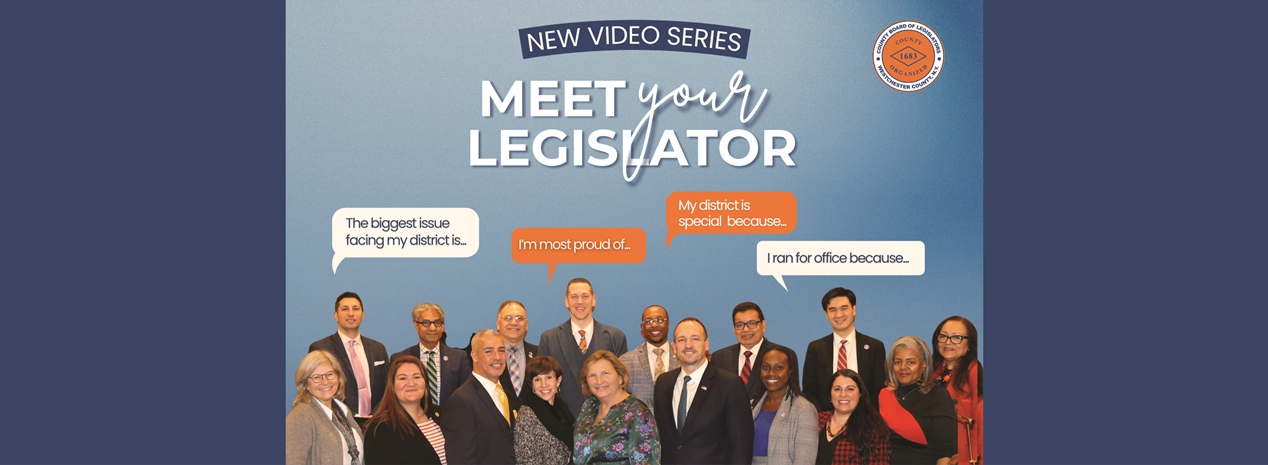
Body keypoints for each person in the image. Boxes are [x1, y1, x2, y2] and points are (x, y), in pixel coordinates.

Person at [653, 318, 754, 465]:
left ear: (706, 344)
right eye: (682, 340)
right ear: (674, 347)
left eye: (695, 339)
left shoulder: (730, 384)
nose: (688, 345)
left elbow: (742, 445)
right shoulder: (663, 383)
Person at [539, 277, 629, 413]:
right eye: (574, 296)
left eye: (585, 296)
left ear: (594, 300)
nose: (579, 301)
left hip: (607, 423)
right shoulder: (549, 339)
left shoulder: (615, 337)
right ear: (566, 301)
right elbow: (542, 384)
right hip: (563, 423)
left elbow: (622, 384)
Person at [439, 329, 516, 464]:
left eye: (501, 350)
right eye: (489, 351)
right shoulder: (461, 402)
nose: (497, 357)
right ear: (474, 356)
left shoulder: (504, 392)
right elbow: (461, 460)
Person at [804, 288, 886, 412]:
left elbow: (879, 391)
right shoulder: (816, 348)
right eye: (833, 310)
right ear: (826, 314)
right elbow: (809, 392)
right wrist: (827, 418)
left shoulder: (875, 347)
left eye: (844, 308)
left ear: (854, 310)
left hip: (866, 423)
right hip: (828, 423)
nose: (839, 315)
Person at [310, 291, 390, 417]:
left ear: (362, 315)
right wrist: (352, 418)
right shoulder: (321, 349)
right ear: (336, 315)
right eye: (345, 309)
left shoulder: (378, 349)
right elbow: (319, 390)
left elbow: (388, 388)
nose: (351, 313)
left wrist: (373, 417)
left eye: (356, 309)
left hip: (376, 422)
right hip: (338, 422)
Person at [573, 350, 660, 465]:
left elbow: (646, 461)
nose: (599, 381)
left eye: (605, 373)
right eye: (592, 375)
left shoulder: (637, 412)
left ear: (620, 377)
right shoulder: (589, 406)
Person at [878, 337, 955, 465]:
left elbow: (946, 450)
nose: (903, 367)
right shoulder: (883, 395)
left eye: (910, 362)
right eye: (898, 362)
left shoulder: (938, 396)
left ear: (923, 365)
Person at [362, 356, 447, 465]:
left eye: (417, 377)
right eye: (403, 378)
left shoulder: (440, 414)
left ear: (425, 382)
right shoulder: (381, 428)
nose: (411, 383)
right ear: (392, 385)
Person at [287, 350, 365, 465]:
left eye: (329, 374)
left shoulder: (343, 410)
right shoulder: (301, 416)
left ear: (338, 377)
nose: (325, 382)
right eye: (317, 377)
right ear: (305, 384)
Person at [390, 302, 472, 406]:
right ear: (416, 325)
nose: (432, 328)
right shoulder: (400, 359)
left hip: (451, 419)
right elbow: (391, 397)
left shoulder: (459, 358)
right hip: (412, 420)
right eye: (426, 323)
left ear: (442, 326)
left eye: (437, 323)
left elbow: (467, 395)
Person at [712, 302, 797, 401]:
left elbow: (792, 395)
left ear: (763, 325)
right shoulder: (719, 358)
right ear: (734, 328)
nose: (746, 330)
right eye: (739, 325)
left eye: (752, 324)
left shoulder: (782, 355)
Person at [750, 346, 817, 465]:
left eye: (778, 368)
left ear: (790, 371)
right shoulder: (750, 406)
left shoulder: (804, 409)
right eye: (765, 367)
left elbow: (805, 460)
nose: (771, 373)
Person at [930, 317, 983, 465]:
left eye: (957, 338)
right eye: (943, 336)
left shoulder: (974, 374)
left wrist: (965, 456)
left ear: (969, 344)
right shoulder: (930, 372)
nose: (948, 342)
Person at [816, 369, 891, 465]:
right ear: (830, 395)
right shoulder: (816, 420)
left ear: (860, 394)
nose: (843, 394)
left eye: (850, 389)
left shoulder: (873, 429)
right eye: (837, 389)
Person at [514, 355, 576, 465]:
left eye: (548, 377)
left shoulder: (560, 406)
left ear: (558, 380)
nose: (544, 385)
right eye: (537, 379)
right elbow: (527, 461)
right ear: (531, 385)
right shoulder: (527, 415)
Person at [619, 305, 679, 407]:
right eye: (649, 321)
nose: (654, 325)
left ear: (668, 324)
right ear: (642, 327)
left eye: (660, 320)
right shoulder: (625, 362)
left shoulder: (682, 358)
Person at [499, 300, 539, 409]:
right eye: (508, 318)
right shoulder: (488, 357)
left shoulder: (539, 354)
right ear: (498, 323)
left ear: (526, 325)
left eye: (519, 318)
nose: (513, 323)